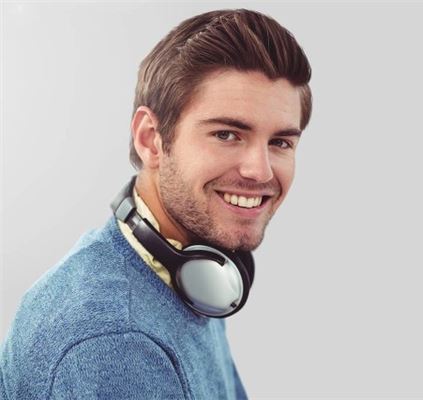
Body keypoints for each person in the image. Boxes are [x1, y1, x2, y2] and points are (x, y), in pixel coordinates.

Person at [0, 8, 312, 399]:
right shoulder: (116, 342)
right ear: (151, 139)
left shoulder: (193, 263)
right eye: (227, 135)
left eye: (280, 142)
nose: (260, 170)